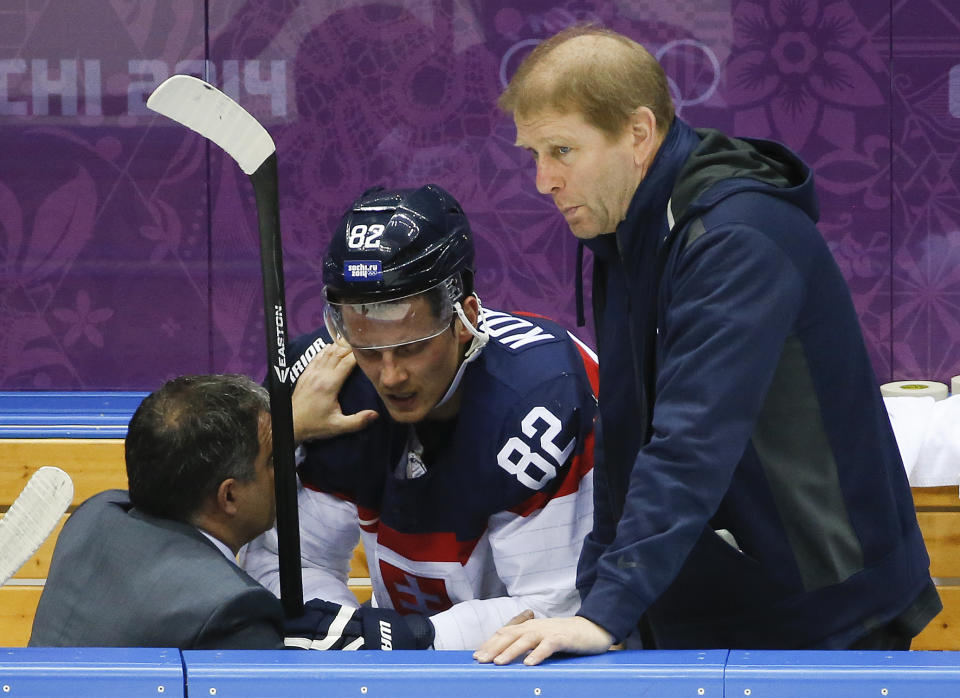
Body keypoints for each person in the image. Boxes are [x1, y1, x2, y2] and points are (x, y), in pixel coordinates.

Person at [475, 25, 941, 665]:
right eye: (532, 154)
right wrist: (597, 597)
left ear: (638, 135)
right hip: (722, 609)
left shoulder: (734, 238)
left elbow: (693, 439)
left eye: (561, 150)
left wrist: (607, 611)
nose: (542, 180)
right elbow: (625, 435)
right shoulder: (627, 229)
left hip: (827, 615)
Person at [242, 183, 600, 650]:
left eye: (411, 348)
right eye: (369, 348)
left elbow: (555, 609)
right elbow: (284, 564)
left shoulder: (541, 395)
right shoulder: (324, 389)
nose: (389, 377)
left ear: (465, 317)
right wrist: (349, 634)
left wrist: (405, 640)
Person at [29, 374, 286, 649]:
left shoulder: (95, 516)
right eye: (272, 461)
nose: (285, 469)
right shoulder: (233, 613)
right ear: (229, 495)